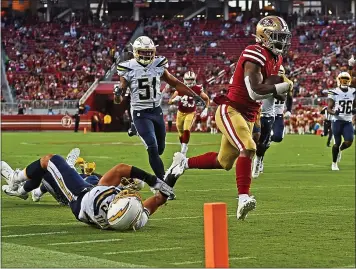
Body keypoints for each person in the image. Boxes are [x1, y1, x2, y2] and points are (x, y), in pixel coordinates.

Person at [164, 16, 293, 220]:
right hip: (231, 110)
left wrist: (278, 84)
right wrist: (282, 86)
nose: (283, 41)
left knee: (223, 161)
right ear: (264, 36)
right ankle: (243, 199)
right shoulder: (254, 51)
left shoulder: (276, 58)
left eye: (284, 37)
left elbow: (267, 83)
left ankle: (182, 163)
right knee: (248, 148)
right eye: (278, 37)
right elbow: (255, 92)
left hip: (249, 115)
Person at [1, 153, 174, 230]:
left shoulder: (101, 199)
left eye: (123, 194)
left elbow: (120, 169)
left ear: (114, 202)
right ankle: (25, 189)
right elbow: (158, 200)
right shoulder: (134, 220)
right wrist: (170, 182)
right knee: (91, 178)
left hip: (80, 197)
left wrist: (153, 180)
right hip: (90, 204)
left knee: (49, 162)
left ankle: (16, 179)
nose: (126, 192)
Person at [114, 36, 205, 181]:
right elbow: (118, 99)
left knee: (161, 148)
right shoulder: (128, 67)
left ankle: (136, 130)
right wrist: (118, 94)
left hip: (156, 111)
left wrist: (194, 96)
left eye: (150, 52)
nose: (148, 55)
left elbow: (176, 83)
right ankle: (163, 184)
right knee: (152, 147)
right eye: (144, 52)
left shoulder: (158, 64)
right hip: (140, 112)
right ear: (137, 52)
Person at [252, 65, 293, 177]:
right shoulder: (266, 81)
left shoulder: (287, 83)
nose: (278, 74)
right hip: (264, 114)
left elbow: (288, 97)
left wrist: (289, 110)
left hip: (278, 114)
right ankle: (259, 160)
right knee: (260, 142)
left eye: (281, 72)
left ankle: (262, 153)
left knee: (277, 137)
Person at [168, 71, 210, 155]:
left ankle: (183, 150)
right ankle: (183, 145)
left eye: (191, 80)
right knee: (180, 131)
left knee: (186, 129)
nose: (189, 82)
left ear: (194, 80)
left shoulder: (197, 89)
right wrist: (174, 100)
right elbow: (169, 101)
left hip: (190, 112)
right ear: (184, 80)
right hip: (180, 112)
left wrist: (206, 109)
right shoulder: (179, 88)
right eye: (188, 80)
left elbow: (206, 98)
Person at [327, 56, 356, 171]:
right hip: (337, 120)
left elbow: (350, 76)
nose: (344, 81)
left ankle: (340, 150)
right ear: (339, 81)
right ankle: (334, 163)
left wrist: (350, 66)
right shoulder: (334, 92)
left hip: (348, 120)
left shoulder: (353, 91)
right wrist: (333, 112)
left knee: (349, 141)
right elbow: (329, 107)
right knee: (337, 142)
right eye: (342, 79)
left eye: (346, 80)